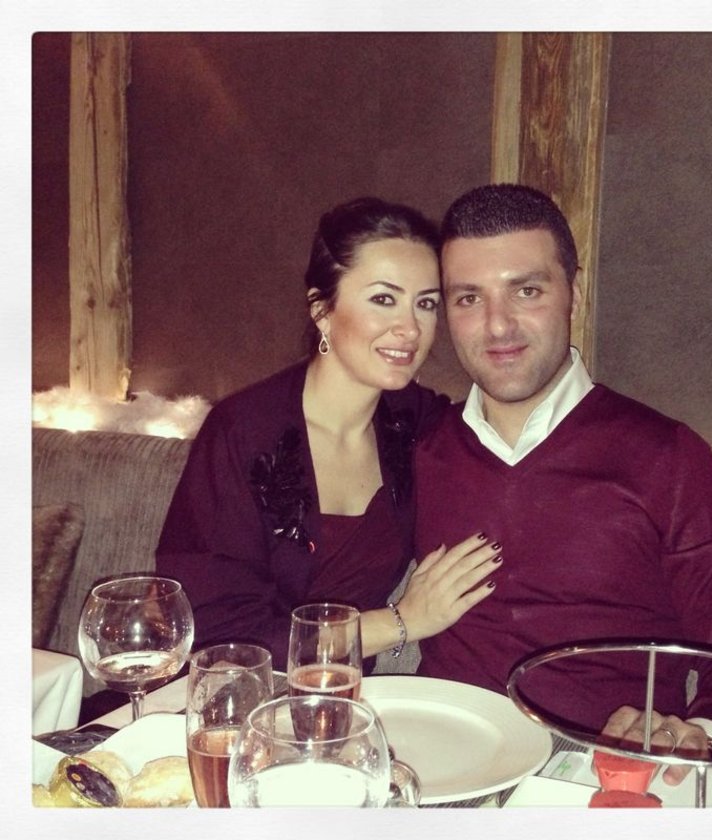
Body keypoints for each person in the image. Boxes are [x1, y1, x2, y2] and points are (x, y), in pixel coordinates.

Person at [412, 183, 712, 784]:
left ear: (576, 292)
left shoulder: (666, 457)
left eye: (527, 290)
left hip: (594, 779)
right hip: (437, 770)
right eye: (468, 298)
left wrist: (701, 733)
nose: (497, 325)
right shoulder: (419, 450)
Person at [156, 196, 500, 672]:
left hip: (343, 699)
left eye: (425, 304)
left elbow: (507, 442)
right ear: (322, 309)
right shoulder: (242, 432)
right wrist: (402, 621)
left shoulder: (415, 421)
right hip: (226, 697)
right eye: (384, 299)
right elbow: (220, 635)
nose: (410, 328)